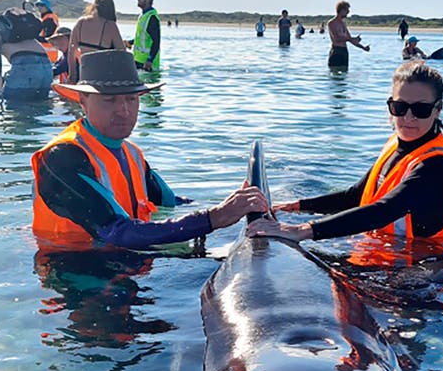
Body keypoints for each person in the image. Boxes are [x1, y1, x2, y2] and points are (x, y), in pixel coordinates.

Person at [32, 50, 267, 250]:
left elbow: (171, 202)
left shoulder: (132, 153)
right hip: (73, 275)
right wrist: (214, 218)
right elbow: (116, 231)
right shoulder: (61, 158)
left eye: (131, 99)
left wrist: (240, 206)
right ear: (82, 100)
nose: (123, 111)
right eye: (109, 100)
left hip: (129, 263)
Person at [247, 61, 443, 265]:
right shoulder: (398, 144)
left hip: (417, 269)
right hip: (382, 251)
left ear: (438, 109)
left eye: (420, 110)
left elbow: (384, 210)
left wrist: (302, 230)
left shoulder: (435, 164)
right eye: (399, 107)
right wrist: (298, 207)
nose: (408, 117)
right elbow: (355, 196)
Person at [68, 0, 126, 83]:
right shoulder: (110, 25)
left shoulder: (81, 22)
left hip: (84, 74)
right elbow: (122, 53)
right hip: (104, 76)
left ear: (94, 6)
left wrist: (72, 74)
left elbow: (71, 51)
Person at [326, 0, 370, 68]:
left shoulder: (343, 24)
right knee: (335, 73)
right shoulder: (332, 23)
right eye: (347, 10)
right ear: (341, 10)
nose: (348, 12)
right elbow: (337, 39)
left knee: (344, 72)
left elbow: (350, 39)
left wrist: (363, 47)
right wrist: (351, 39)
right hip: (336, 51)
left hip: (344, 51)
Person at [130, 0, 161, 71]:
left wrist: (150, 60)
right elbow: (142, 36)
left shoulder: (152, 17)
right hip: (138, 60)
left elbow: (156, 41)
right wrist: (130, 42)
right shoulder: (142, 15)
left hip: (147, 65)